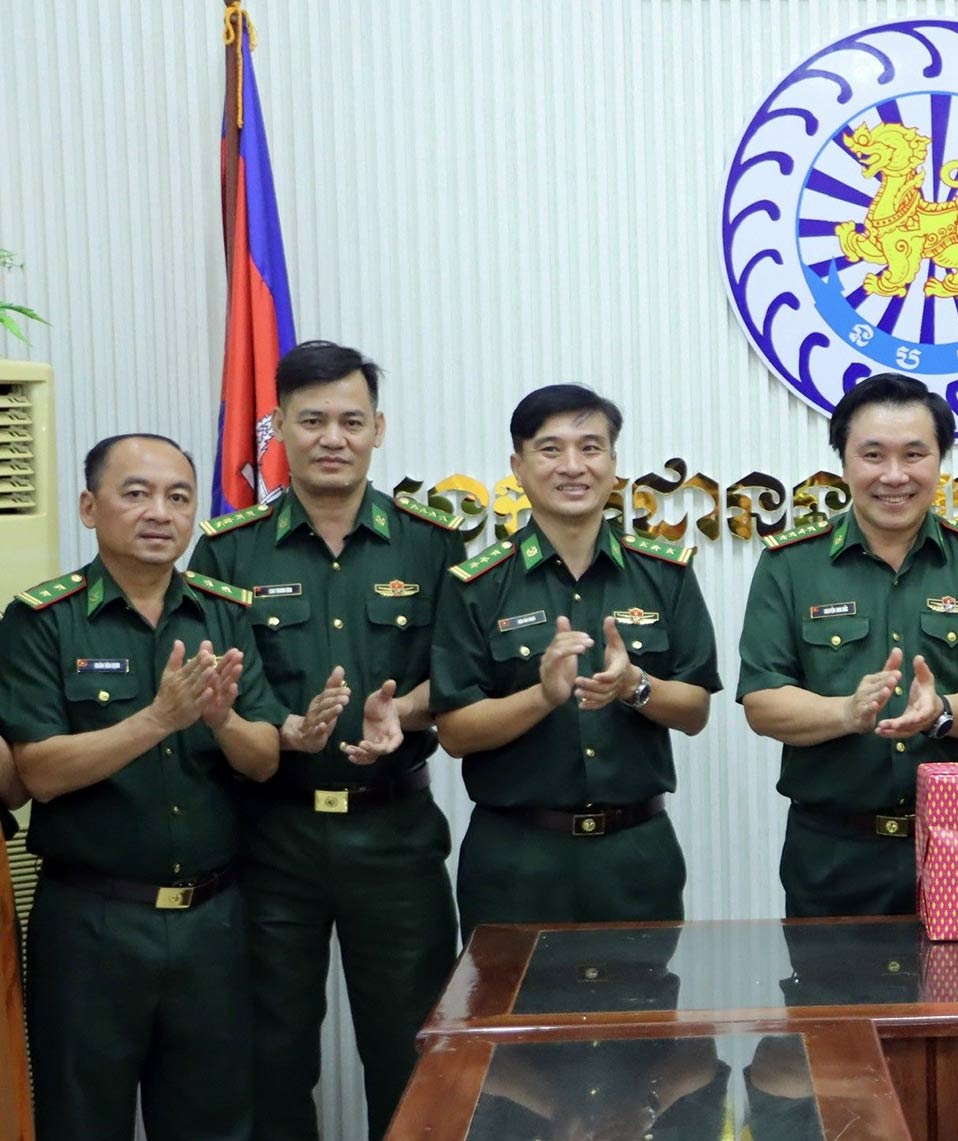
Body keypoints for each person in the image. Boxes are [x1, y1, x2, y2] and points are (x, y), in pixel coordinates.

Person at [188, 341, 461, 1140]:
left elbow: (464, 670)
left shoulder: (432, 541)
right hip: (273, 834)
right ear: (278, 429)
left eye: (350, 419)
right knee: (269, 1055)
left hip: (395, 832)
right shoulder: (230, 549)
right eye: (311, 421)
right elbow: (219, 679)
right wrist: (284, 727)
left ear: (379, 427)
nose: (332, 437)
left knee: (414, 1050)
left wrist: (404, 711)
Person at [0, 434, 284, 1140]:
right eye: (136, 493)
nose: (159, 512)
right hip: (91, 921)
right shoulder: (42, 620)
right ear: (90, 507)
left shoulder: (224, 611)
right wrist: (157, 718)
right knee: (81, 1119)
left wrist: (218, 718)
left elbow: (264, 758)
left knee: (216, 1121)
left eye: (178, 497)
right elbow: (38, 770)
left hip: (212, 921)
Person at [738, 373, 958, 917]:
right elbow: (762, 700)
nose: (894, 475)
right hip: (831, 853)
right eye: (873, 455)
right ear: (844, 461)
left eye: (914, 455)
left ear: (940, 461)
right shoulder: (790, 563)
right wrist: (847, 713)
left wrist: (941, 712)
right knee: (830, 1001)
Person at [431, 385, 720, 932]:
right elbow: (455, 731)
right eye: (550, 449)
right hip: (514, 861)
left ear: (614, 463)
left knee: (641, 1017)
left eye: (591, 448)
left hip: (636, 856)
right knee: (505, 1015)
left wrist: (636, 684)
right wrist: (542, 697)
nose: (573, 466)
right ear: (517, 465)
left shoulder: (665, 573)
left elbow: (695, 710)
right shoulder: (477, 584)